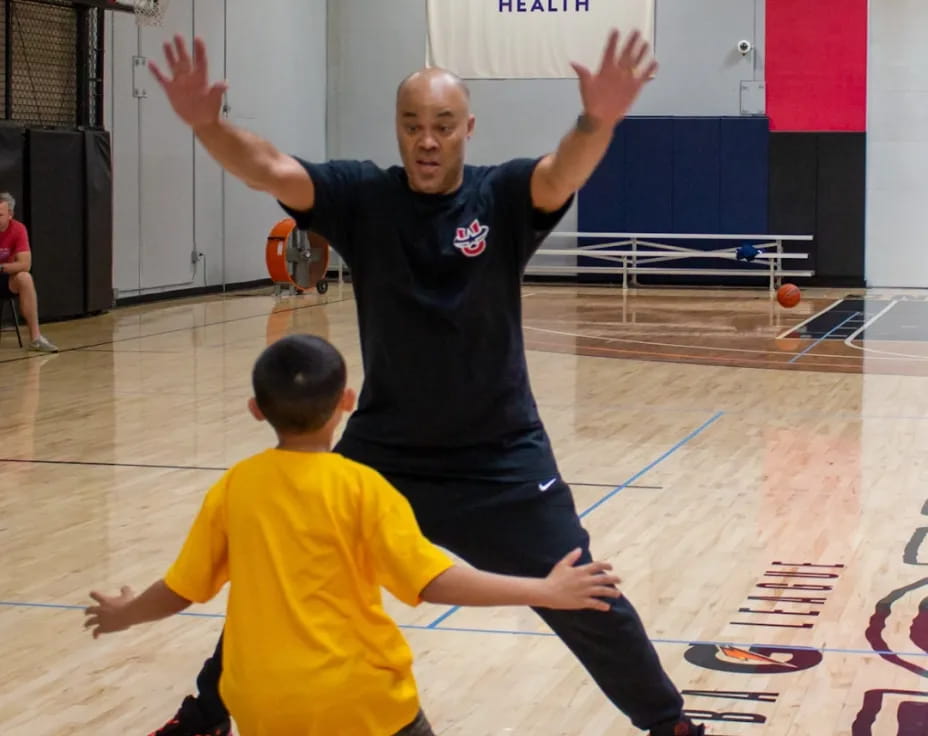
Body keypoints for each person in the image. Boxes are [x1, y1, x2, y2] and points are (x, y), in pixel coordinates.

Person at [145, 28, 706, 736]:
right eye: (413, 125)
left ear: (467, 128)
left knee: (582, 593)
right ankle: (205, 715)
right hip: (386, 453)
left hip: (501, 456)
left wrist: (598, 119)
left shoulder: (499, 196)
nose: (428, 140)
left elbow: (563, 171)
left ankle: (671, 725)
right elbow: (270, 169)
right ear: (398, 130)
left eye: (443, 125)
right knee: (287, 562)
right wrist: (207, 125)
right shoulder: (362, 196)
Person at [84, 334, 622, 736]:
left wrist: (124, 614)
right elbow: (434, 580)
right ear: (347, 401)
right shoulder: (362, 487)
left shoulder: (234, 488)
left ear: (255, 410)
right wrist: (544, 591)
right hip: (362, 702)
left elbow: (183, 588)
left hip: (261, 704)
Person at [0, 192, 58, 353]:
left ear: (10, 215)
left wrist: (2, 268)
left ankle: (36, 338)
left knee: (25, 278)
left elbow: (25, 264)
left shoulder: (18, 229)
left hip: (5, 278)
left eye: (0, 215)